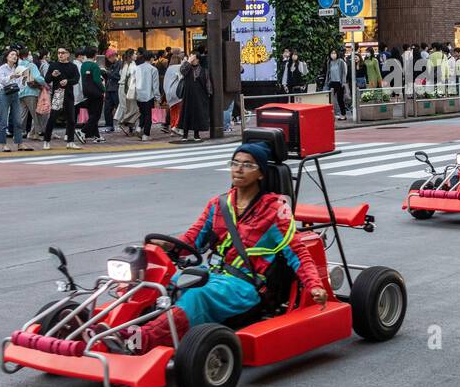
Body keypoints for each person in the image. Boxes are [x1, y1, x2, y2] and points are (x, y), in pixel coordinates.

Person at [125, 141, 328, 353]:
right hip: (211, 274)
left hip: (244, 285)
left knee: (197, 296)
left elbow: (297, 252)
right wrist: (165, 244)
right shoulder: (219, 204)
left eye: (248, 165)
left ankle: (139, 341)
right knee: (160, 284)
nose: (239, 169)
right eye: (235, 163)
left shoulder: (276, 208)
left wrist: (314, 284)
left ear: (261, 174)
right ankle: (110, 329)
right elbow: (191, 241)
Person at [42, 46, 80, 150]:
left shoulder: (73, 66)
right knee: (53, 118)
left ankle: (70, 142)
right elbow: (47, 80)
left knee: (71, 119)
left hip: (68, 94)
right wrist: (53, 75)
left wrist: (68, 81)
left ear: (68, 54)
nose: (60, 55)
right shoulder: (53, 65)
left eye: (63, 53)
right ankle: (46, 141)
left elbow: (76, 79)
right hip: (58, 94)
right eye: (58, 53)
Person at [0, 48, 33, 152]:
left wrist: (24, 79)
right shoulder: (2, 68)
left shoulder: (18, 68)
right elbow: (2, 81)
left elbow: (21, 86)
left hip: (15, 94)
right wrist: (11, 76)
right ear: (7, 57)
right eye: (12, 55)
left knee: (17, 120)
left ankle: (19, 143)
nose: (14, 56)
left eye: (16, 55)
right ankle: (2, 144)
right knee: (3, 120)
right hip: (5, 94)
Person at [178, 52, 211, 142]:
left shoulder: (204, 70)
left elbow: (208, 83)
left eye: (194, 58)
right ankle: (185, 135)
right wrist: (188, 61)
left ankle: (196, 134)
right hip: (188, 95)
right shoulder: (187, 69)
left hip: (200, 96)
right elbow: (182, 70)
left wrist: (209, 94)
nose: (192, 59)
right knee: (186, 114)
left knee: (198, 114)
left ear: (198, 60)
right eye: (191, 57)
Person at [76, 47, 105, 144]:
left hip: (87, 91)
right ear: (95, 55)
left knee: (92, 114)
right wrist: (103, 89)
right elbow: (97, 80)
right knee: (96, 115)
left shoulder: (83, 65)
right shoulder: (94, 65)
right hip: (96, 93)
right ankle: (83, 131)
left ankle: (96, 136)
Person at [132, 51, 161, 142]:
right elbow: (155, 85)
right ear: (151, 58)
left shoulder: (137, 68)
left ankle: (139, 127)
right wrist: (157, 98)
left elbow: (133, 82)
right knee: (148, 115)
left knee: (142, 113)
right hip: (149, 95)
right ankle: (146, 134)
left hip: (139, 95)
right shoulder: (153, 69)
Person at [114, 47, 140, 135]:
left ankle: (128, 126)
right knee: (134, 109)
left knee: (126, 107)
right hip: (128, 89)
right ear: (131, 55)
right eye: (135, 54)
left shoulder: (124, 64)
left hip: (122, 88)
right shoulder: (132, 65)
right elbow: (132, 79)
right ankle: (125, 123)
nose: (136, 55)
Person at [325, 49, 349, 120]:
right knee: (329, 98)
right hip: (332, 82)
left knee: (340, 99)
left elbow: (344, 73)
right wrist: (327, 81)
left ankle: (343, 114)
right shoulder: (329, 62)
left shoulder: (340, 61)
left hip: (339, 82)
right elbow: (328, 72)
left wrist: (343, 82)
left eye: (334, 53)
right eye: (332, 53)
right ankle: (331, 114)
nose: (333, 54)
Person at [101, 48, 121, 133]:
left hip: (116, 89)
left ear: (113, 56)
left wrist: (107, 73)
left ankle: (127, 125)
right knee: (107, 109)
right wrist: (105, 73)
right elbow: (110, 76)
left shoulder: (120, 64)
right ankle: (109, 125)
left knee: (119, 107)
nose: (109, 60)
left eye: (109, 58)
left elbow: (118, 77)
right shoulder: (113, 65)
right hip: (109, 89)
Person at [163, 53, 184, 133]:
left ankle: (172, 127)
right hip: (177, 93)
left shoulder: (168, 69)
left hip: (168, 93)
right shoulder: (178, 67)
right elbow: (181, 78)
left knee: (173, 111)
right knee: (180, 110)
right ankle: (176, 126)